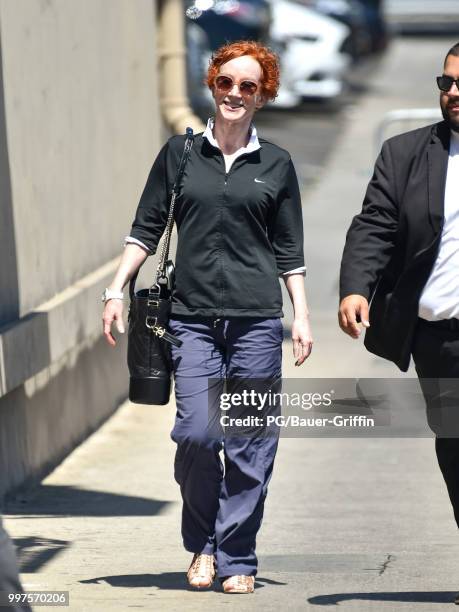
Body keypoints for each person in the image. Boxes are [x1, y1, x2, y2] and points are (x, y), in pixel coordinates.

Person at [102, 41, 313, 594]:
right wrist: (115, 289)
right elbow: (146, 226)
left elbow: (289, 250)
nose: (235, 94)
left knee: (250, 442)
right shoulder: (180, 153)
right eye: (226, 83)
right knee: (196, 434)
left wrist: (303, 316)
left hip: (256, 321)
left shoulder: (277, 164)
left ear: (264, 94)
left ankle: (234, 556)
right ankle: (203, 541)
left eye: (249, 86)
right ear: (211, 85)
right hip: (191, 320)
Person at [339, 40, 459, 595]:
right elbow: (375, 226)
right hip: (438, 337)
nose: (452, 93)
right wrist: (356, 288)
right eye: (445, 83)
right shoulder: (406, 153)